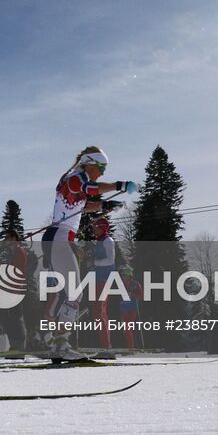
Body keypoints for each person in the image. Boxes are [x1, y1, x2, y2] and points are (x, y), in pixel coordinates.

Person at [40, 147, 136, 361]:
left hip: (60, 238)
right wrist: (118, 185)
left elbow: (84, 206)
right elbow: (92, 188)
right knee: (74, 293)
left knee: (71, 293)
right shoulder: (75, 178)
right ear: (90, 163)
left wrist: (105, 205)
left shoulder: (76, 181)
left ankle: (55, 340)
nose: (102, 172)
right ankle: (59, 344)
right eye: (101, 167)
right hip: (59, 238)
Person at [89, 216, 138, 352]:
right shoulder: (99, 241)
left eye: (96, 227)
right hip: (98, 278)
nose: (94, 229)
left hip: (105, 278)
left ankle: (106, 346)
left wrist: (93, 259)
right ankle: (105, 345)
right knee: (96, 312)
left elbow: (109, 260)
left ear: (102, 228)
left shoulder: (107, 240)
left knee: (99, 311)